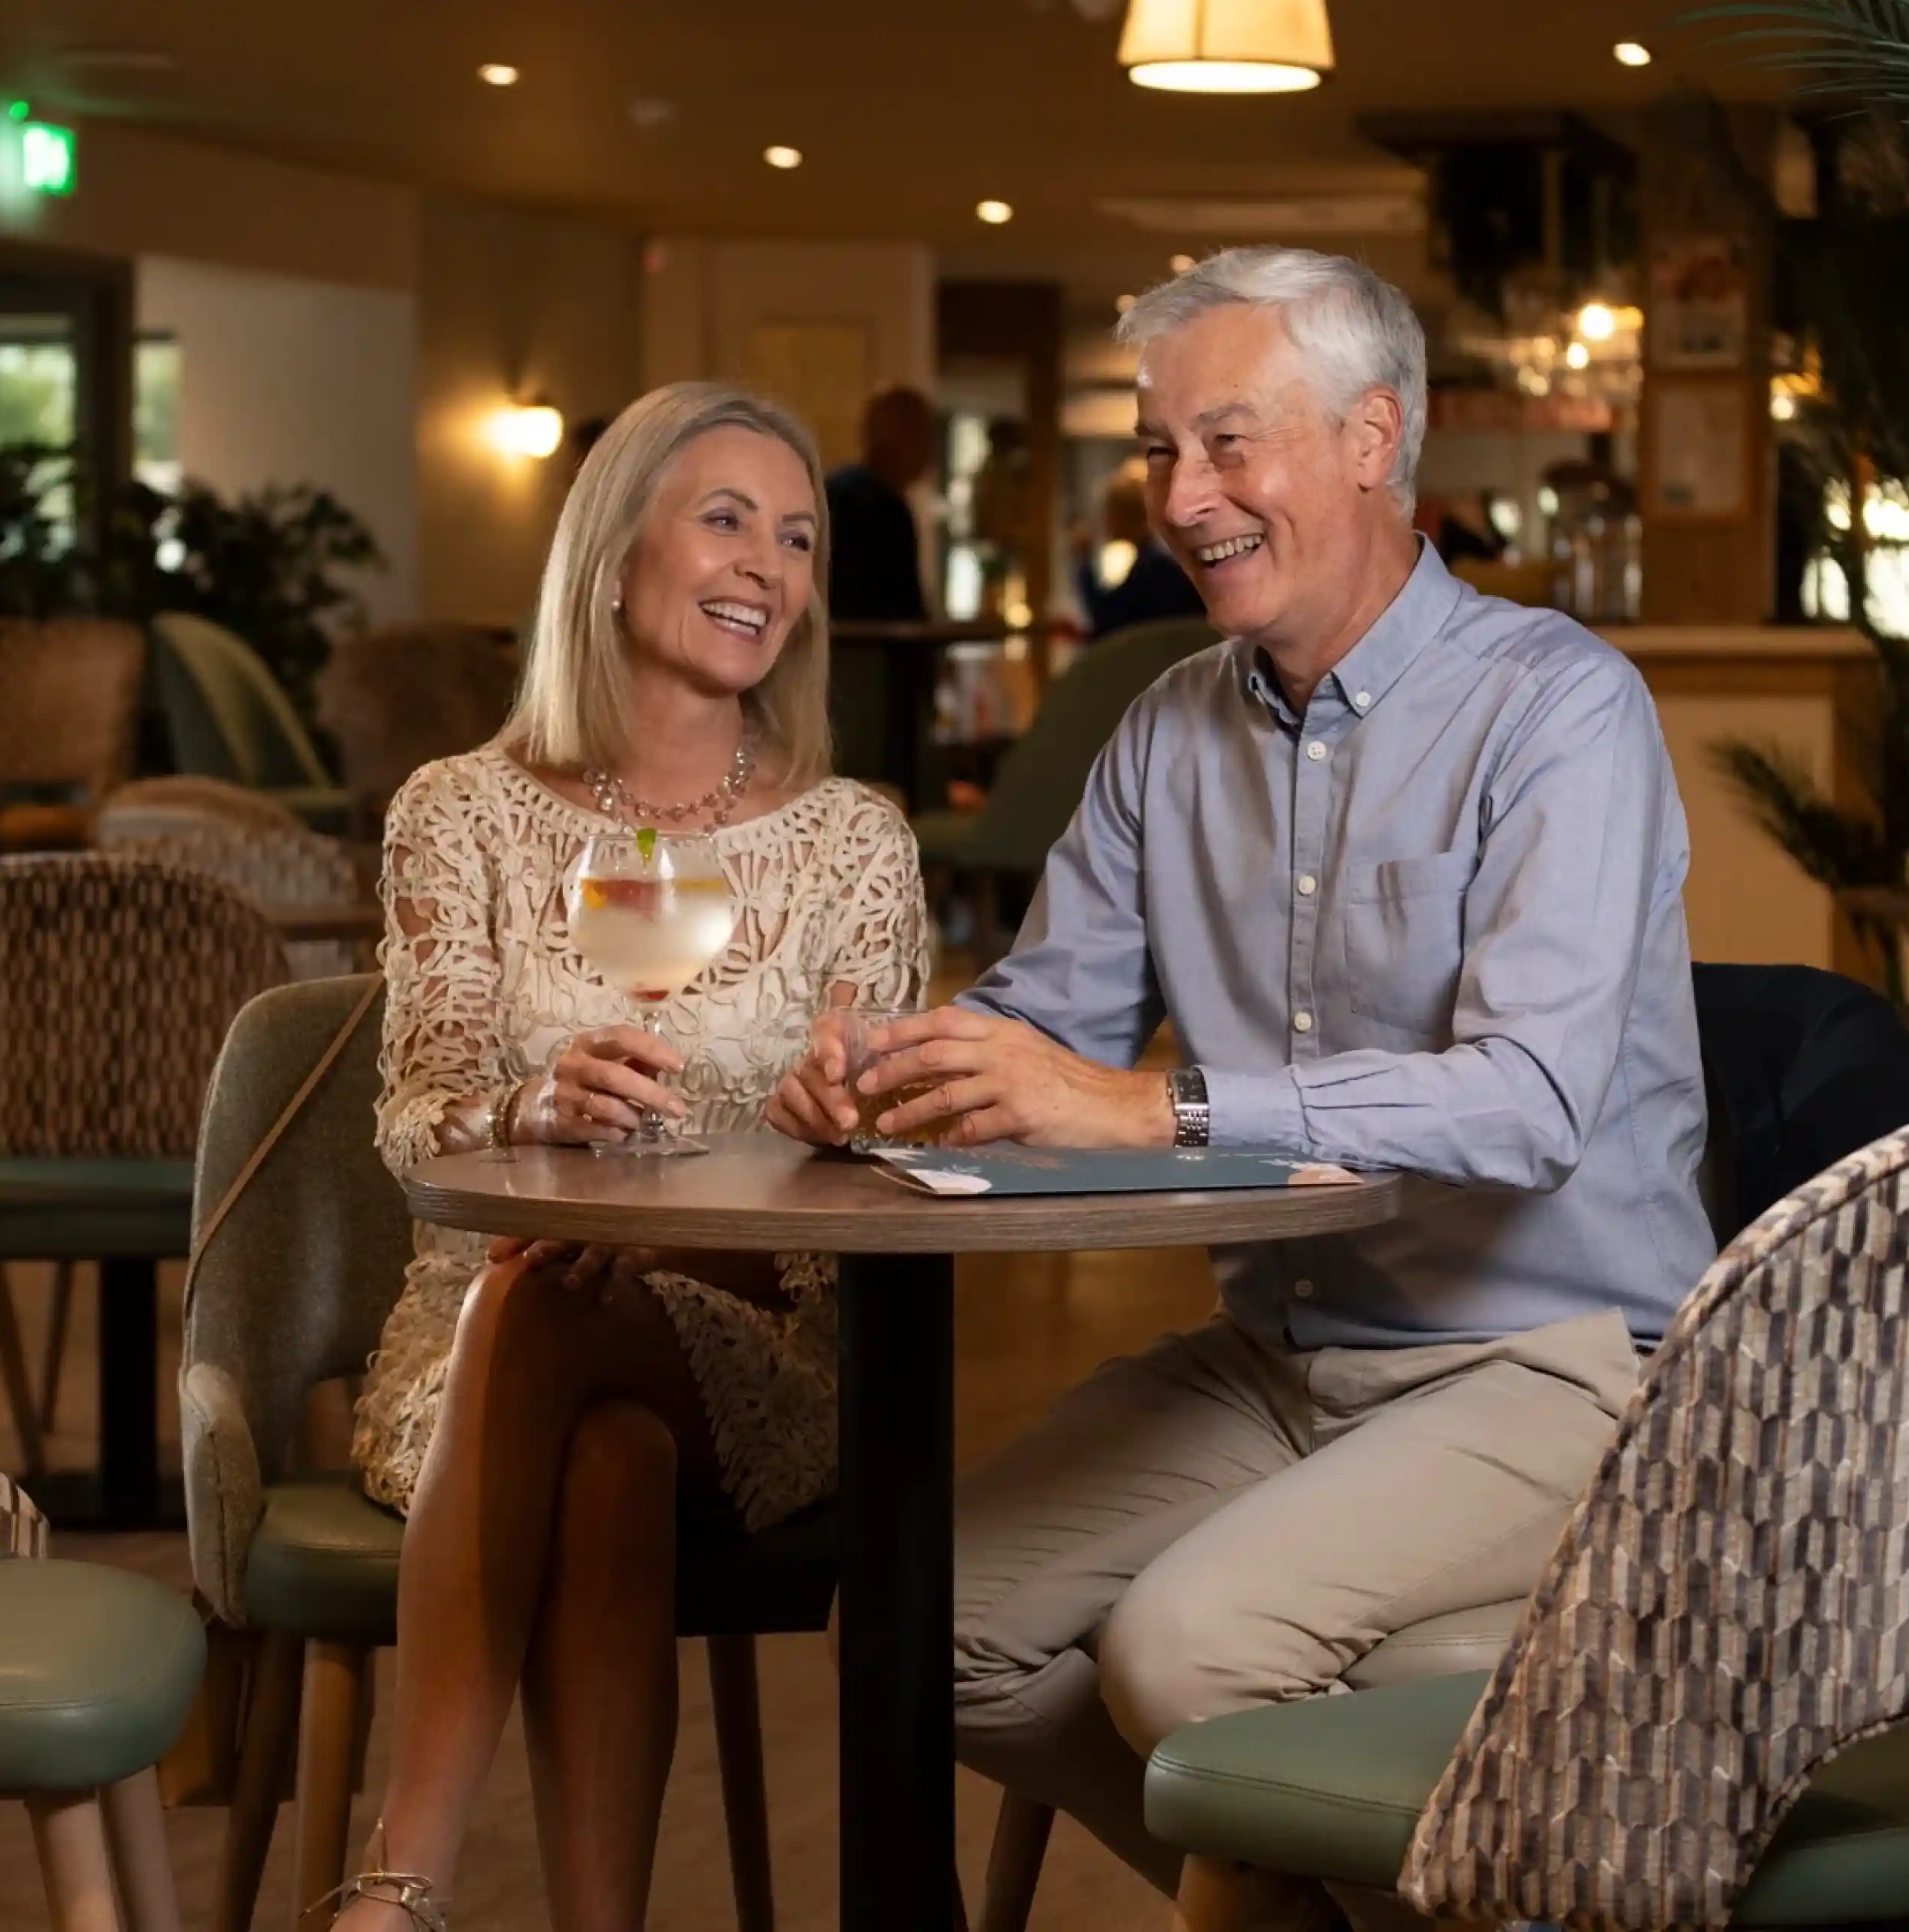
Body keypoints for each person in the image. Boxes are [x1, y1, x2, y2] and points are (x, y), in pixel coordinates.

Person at [770, 248, 1717, 1930]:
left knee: (1182, 1641)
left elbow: (1525, 1103)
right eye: (1156, 452)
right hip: (1282, 1352)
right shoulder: (1160, 734)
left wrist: (1156, 1107)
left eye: (1225, 444)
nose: (1179, 498)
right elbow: (1040, 1026)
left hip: (1559, 1362)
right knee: (919, 1615)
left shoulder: (1560, 708)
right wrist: (894, 1069)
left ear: (1371, 440)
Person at [333, 382, 931, 1930]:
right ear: (612, 554)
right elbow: (416, 1117)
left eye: (796, 536)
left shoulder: (852, 838)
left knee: (541, 1305)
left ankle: (395, 1888)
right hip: (470, 1347)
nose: (768, 563)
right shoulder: (460, 811)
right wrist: (529, 1110)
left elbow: (898, 1146)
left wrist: (844, 1117)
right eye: (725, 516)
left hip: (753, 1331)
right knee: (601, 1440)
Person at [825, 385, 938, 621]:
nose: (930, 451)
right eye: (924, 437)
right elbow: (901, 611)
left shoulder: (833, 490)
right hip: (864, 652)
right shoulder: (885, 510)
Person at [1076, 460, 1206, 635]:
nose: (1106, 522)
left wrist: (1083, 563)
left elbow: (1107, 622)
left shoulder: (1155, 572)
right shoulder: (1169, 566)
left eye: (1112, 512)